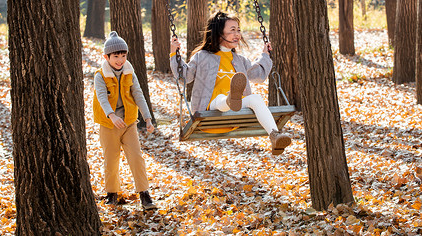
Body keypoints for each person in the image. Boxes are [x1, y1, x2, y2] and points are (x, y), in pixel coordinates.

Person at [170, 11, 292, 155]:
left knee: (256, 99)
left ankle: (274, 136)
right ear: (218, 33)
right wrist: (174, 53)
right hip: (209, 110)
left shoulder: (240, 60)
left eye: (238, 30)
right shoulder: (202, 57)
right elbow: (185, 76)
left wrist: (265, 55)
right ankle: (230, 99)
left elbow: (258, 76)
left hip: (233, 118)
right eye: (232, 30)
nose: (237, 34)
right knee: (221, 99)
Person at [93, 31, 156, 210]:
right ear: (106, 57)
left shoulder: (130, 72)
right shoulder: (100, 75)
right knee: (111, 159)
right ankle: (112, 194)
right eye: (115, 56)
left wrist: (148, 118)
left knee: (136, 157)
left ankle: (145, 194)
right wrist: (111, 116)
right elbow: (102, 97)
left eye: (123, 55)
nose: (120, 60)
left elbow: (138, 94)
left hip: (128, 123)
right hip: (108, 124)